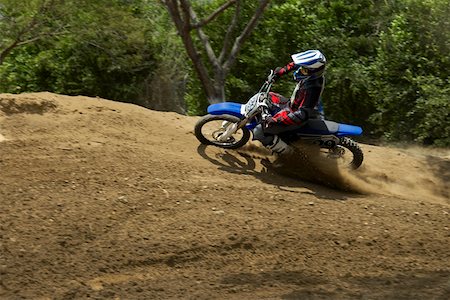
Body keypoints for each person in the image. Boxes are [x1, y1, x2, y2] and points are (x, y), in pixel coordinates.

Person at [252, 49, 327, 154]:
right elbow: (294, 64)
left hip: (296, 115)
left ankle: (289, 155)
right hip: (293, 103)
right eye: (302, 68)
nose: (300, 71)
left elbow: (302, 115)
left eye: (304, 70)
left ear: (312, 72)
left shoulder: (313, 88)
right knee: (266, 96)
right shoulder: (311, 73)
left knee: (259, 131)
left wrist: (276, 120)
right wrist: (279, 72)